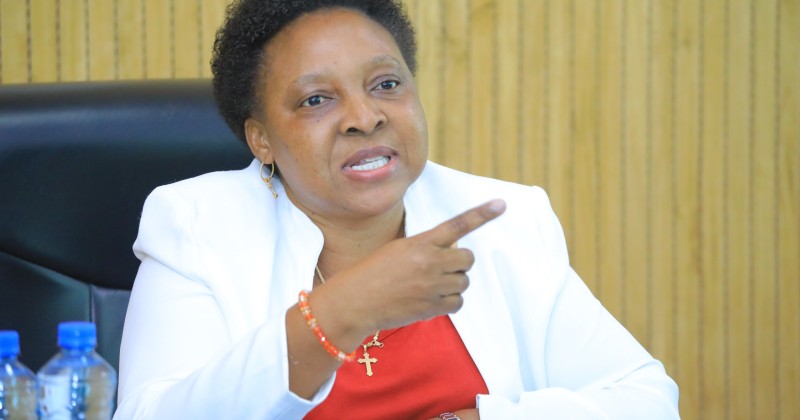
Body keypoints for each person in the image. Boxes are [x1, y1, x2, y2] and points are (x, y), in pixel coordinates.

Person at [115, 0, 680, 418]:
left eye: (386, 84)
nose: (365, 117)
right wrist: (344, 310)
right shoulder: (196, 225)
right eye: (317, 99)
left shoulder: (502, 219)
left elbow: (646, 400)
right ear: (261, 139)